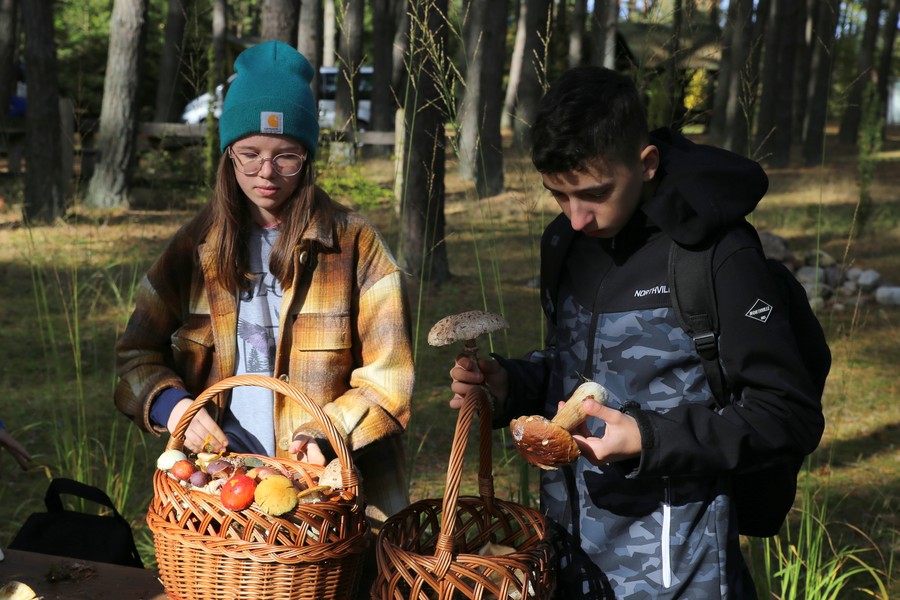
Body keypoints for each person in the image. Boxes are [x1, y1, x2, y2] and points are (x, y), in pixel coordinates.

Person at [449, 66, 825, 598]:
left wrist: (648, 439)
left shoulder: (717, 255)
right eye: (558, 195)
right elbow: (577, 369)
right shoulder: (565, 244)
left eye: (595, 194)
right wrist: (512, 385)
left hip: (681, 570)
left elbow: (788, 414)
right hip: (564, 558)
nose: (576, 217)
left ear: (646, 164)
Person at [114, 41, 414, 590]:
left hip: (327, 508)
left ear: (308, 156)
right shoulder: (194, 247)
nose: (266, 172)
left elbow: (390, 380)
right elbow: (136, 353)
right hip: (221, 502)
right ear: (228, 153)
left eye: (286, 154)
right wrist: (175, 405)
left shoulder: (356, 247)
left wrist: (326, 432)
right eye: (249, 153)